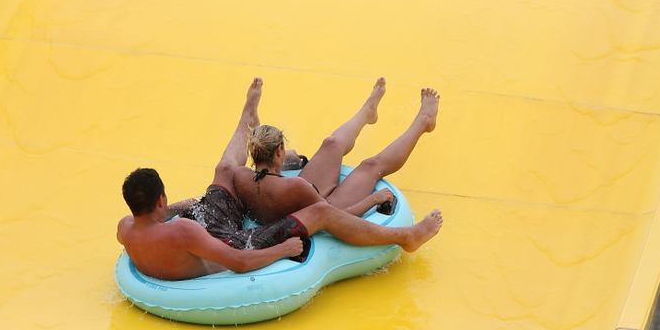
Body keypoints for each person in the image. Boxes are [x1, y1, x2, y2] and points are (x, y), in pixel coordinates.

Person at [117, 78, 444, 281]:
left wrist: (184, 208)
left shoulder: (126, 230)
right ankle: (406, 236)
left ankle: (248, 117)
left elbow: (180, 220)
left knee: (226, 171)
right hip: (236, 243)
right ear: (160, 200)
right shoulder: (183, 232)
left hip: (212, 227)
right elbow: (241, 260)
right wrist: (284, 248)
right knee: (346, 187)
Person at [231, 78, 440, 225]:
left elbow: (268, 184)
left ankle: (367, 112)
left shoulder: (241, 176)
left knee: (331, 143)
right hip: (317, 210)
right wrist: (374, 199)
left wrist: (288, 162)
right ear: (279, 152)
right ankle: (424, 122)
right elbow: (331, 216)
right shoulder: (295, 186)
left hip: (296, 203)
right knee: (371, 166)